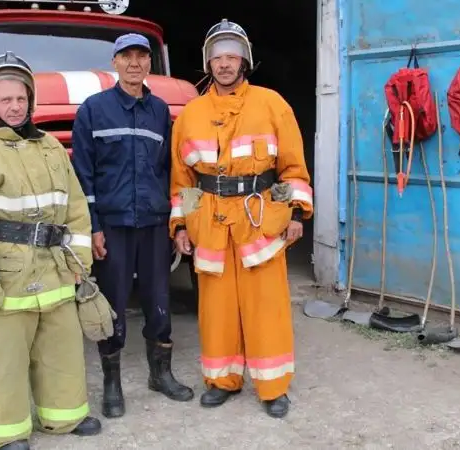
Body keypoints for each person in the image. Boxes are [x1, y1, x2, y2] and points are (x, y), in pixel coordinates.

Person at [0, 52, 102, 450]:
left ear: (31, 99)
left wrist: (80, 263)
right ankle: (8, 433)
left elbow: (76, 208)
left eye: (21, 98)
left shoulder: (48, 147)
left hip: (56, 270)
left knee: (60, 350)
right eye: (5, 99)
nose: (15, 107)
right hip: (6, 277)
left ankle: (64, 416)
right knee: (4, 361)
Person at [169, 19, 314, 418]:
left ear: (244, 61)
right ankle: (222, 380)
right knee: (216, 310)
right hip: (211, 226)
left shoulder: (272, 104)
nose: (224, 64)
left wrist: (297, 212)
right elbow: (184, 180)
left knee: (266, 308)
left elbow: (290, 168)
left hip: (260, 222)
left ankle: (273, 387)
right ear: (207, 64)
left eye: (232, 56)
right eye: (217, 57)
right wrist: (181, 224)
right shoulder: (191, 114)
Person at [71, 33, 194, 419]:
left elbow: (170, 170)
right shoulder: (93, 110)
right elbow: (82, 175)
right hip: (113, 224)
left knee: (159, 302)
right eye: (127, 57)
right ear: (116, 62)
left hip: (154, 223)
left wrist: (176, 222)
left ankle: (161, 374)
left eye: (142, 56)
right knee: (113, 306)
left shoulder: (160, 112)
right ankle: (112, 384)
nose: (135, 63)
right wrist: (92, 227)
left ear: (149, 64)